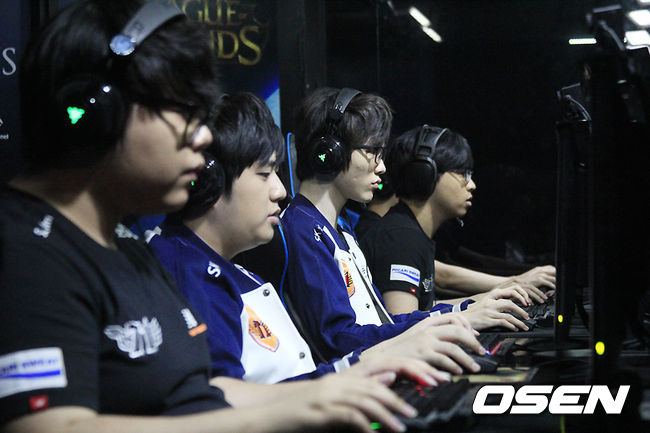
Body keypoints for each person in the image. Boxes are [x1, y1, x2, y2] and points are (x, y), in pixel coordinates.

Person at [0, 3, 427, 432]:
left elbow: (202, 395)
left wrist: (337, 385)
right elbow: (49, 427)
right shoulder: (24, 253)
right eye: (185, 111)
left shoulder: (125, 246)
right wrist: (290, 411)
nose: (203, 137)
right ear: (98, 110)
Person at [147, 93, 476, 407]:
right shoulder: (188, 269)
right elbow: (221, 402)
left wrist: (424, 331)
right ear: (209, 180)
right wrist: (380, 357)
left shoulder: (234, 269)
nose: (279, 191)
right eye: (264, 174)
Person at [279, 88, 529, 363]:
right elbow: (340, 341)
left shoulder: (340, 229)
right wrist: (452, 320)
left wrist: (463, 310)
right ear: (330, 152)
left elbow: (382, 321)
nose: (381, 167)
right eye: (372, 151)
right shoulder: (304, 229)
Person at [358, 125, 551, 323]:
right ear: (426, 174)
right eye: (463, 174)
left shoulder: (409, 232)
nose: (472, 185)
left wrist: (483, 302)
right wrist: (471, 311)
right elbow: (403, 322)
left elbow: (424, 309)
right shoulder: (400, 237)